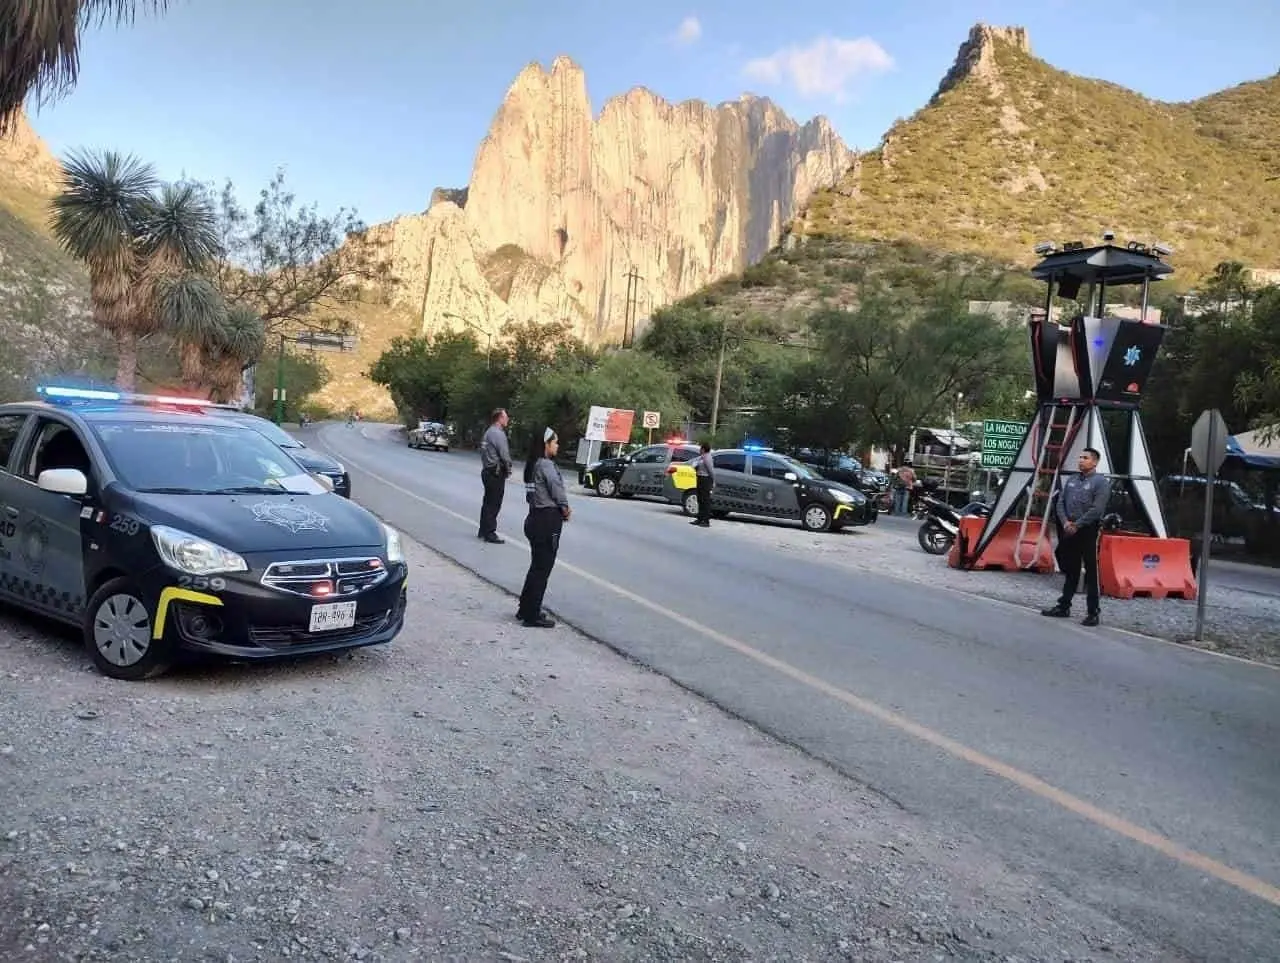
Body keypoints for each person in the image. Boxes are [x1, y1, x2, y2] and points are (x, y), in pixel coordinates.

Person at [1042, 447, 1112, 626]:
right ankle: (1064, 606)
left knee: (1090, 571)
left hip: (1087, 529)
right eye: (1080, 457)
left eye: (1086, 458)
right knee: (1070, 568)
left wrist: (1078, 524)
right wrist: (1066, 522)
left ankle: (1093, 612)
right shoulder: (1072, 479)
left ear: (1095, 462)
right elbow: (1060, 503)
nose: (1081, 460)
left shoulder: (1100, 482)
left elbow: (1097, 509)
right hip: (1069, 528)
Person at [517, 427, 571, 627]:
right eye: (555, 442)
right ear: (546, 444)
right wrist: (565, 508)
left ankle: (525, 608)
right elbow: (556, 489)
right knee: (542, 570)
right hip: (547, 521)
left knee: (536, 568)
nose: (557, 445)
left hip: (534, 518)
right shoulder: (546, 465)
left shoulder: (532, 465)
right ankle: (532, 614)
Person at [477, 408, 512, 544]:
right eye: (506, 417)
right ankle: (490, 533)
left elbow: (483, 451)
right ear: (500, 418)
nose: (507, 419)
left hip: (487, 470)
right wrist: (508, 469)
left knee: (487, 502)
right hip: (495, 472)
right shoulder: (498, 434)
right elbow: (504, 454)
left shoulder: (488, 432)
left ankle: (483, 529)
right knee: (494, 504)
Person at [691, 442, 715, 527]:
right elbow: (697, 465)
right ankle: (700, 518)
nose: (699, 450)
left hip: (705, 479)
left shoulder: (708, 457)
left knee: (705, 500)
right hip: (700, 478)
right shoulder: (702, 457)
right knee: (700, 499)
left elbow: (710, 470)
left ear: (703, 449)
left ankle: (706, 520)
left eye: (701, 448)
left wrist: (713, 480)